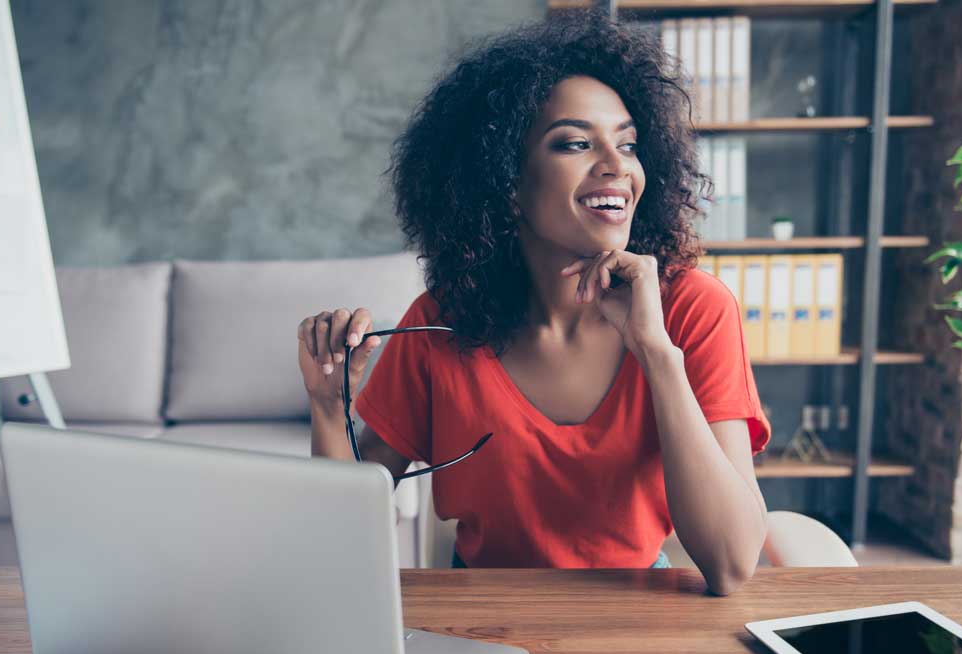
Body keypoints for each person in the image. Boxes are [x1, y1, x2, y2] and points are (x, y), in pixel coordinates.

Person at [296, 9, 770, 595]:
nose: (617, 166)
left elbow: (730, 565)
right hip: (481, 615)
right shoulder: (442, 320)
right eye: (575, 143)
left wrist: (655, 350)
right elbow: (341, 535)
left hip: (634, 616)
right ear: (506, 182)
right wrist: (325, 403)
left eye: (628, 144)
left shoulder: (694, 308)